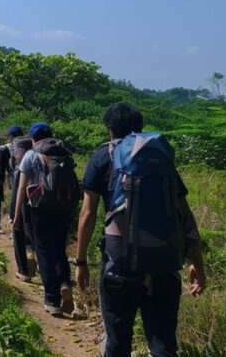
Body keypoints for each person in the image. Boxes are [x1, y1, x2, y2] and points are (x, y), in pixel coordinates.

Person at [75, 102, 206, 357]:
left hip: (119, 268)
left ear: (109, 130)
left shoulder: (102, 157)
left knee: (117, 342)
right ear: (140, 127)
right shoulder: (160, 159)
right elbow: (185, 217)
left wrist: (81, 261)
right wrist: (197, 264)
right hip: (164, 265)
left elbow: (87, 213)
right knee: (163, 344)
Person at [15, 122, 78, 317]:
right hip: (64, 209)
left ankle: (52, 299)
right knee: (59, 249)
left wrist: (17, 214)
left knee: (43, 252)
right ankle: (65, 283)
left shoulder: (31, 155)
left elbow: (21, 187)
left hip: (39, 209)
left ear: (33, 139)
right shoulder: (64, 153)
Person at [2, 126, 34, 280]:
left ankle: (23, 270)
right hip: (41, 207)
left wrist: (13, 214)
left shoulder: (19, 166)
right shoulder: (40, 159)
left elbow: (17, 192)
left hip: (23, 206)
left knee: (19, 232)